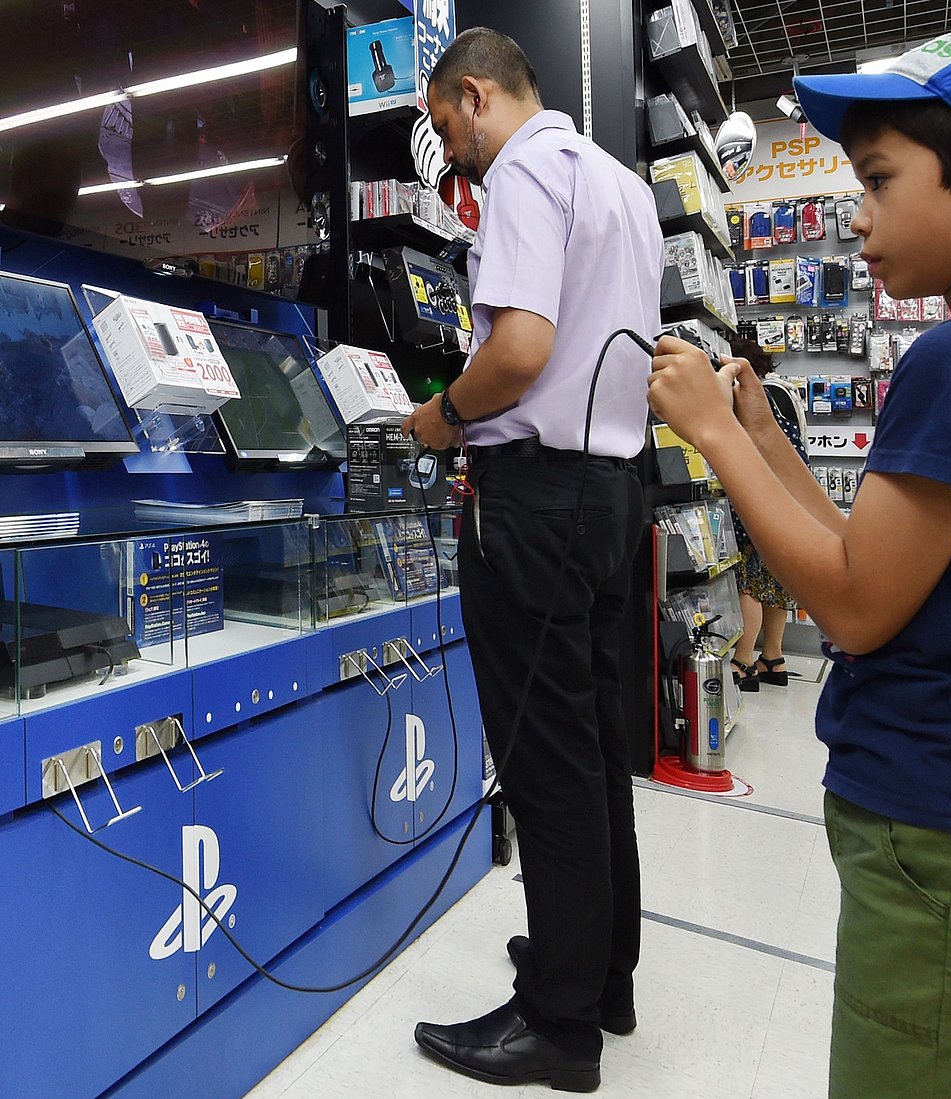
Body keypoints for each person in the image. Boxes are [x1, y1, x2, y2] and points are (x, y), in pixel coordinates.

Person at [646, 21, 951, 1099]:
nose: (858, 220)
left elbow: (858, 608)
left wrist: (717, 442)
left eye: (877, 179)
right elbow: (876, 556)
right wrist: (769, 438)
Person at [401, 27, 663, 1094]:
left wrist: (439, 418)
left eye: (443, 128)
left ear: (473, 96)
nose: (449, 154)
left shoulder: (519, 176)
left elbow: (517, 349)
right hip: (613, 493)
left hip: (537, 499)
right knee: (598, 747)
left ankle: (558, 1026)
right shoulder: (621, 184)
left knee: (547, 761)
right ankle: (601, 973)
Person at [724, 336, 809, 692]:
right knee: (774, 582)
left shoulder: (757, 395)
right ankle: (773, 658)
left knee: (748, 583)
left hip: (758, 495)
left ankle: (743, 662)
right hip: (790, 495)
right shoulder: (785, 390)